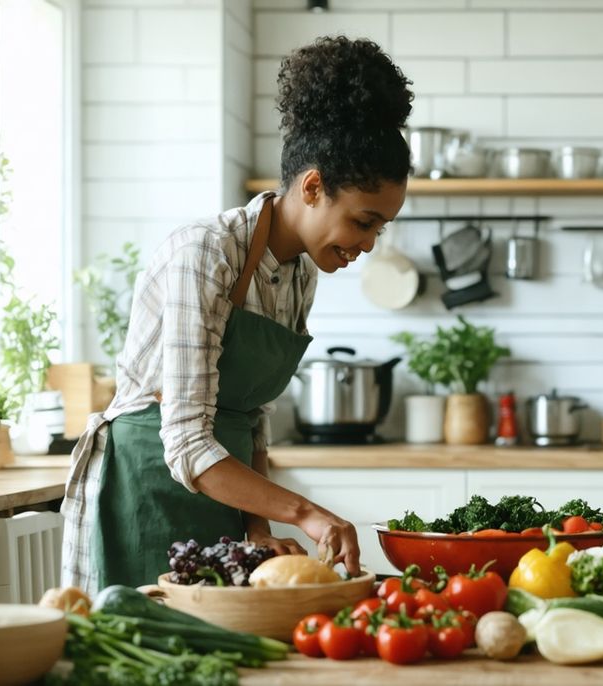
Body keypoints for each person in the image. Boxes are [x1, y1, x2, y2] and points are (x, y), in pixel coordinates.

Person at [61, 35, 413, 592]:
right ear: (314, 186)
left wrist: (257, 526)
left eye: (380, 228)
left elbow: (250, 418)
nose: (368, 244)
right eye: (364, 222)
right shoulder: (206, 251)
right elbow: (185, 440)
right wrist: (303, 512)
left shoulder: (300, 273)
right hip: (147, 486)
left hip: (224, 492)